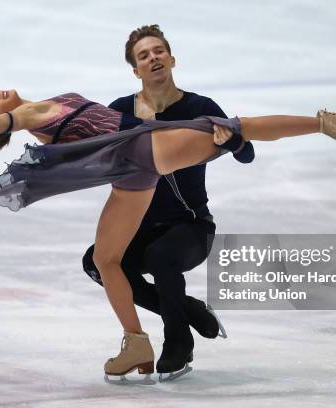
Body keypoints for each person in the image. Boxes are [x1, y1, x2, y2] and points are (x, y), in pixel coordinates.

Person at [0, 88, 336, 384]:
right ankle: (327, 124)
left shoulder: (39, 109)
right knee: (235, 128)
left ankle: (136, 342)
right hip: (139, 150)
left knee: (108, 259)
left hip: (132, 171)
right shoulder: (27, 114)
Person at [80, 25, 246, 382]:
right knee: (97, 262)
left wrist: (232, 142)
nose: (153, 57)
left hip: (191, 228)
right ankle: (189, 311)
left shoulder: (199, 108)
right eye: (144, 55)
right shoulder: (121, 111)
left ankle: (178, 341)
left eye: (158, 51)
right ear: (136, 70)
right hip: (140, 227)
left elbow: (247, 153)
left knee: (160, 257)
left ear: (171, 59)